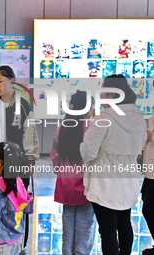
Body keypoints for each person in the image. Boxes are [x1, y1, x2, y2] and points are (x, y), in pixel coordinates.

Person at [80, 74, 147, 255]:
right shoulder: (138, 117)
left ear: (112, 95)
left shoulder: (103, 119)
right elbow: (141, 144)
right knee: (124, 223)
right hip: (128, 179)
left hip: (104, 182)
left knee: (108, 230)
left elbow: (88, 152)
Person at [0, 65, 39, 252]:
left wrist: (32, 159)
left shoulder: (23, 104)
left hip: (19, 163)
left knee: (18, 201)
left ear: (12, 81)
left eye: (1, 81)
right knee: (1, 201)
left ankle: (20, 241)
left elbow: (30, 133)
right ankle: (3, 239)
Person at [50, 90, 95, 255]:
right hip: (86, 182)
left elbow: (54, 153)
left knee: (68, 218)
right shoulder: (91, 126)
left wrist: (60, 170)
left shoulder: (62, 127)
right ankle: (81, 251)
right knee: (85, 219)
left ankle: (67, 252)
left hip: (66, 181)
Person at [141, 114, 154, 255]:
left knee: (148, 210)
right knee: (148, 209)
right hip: (150, 172)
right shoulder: (152, 118)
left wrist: (151, 136)